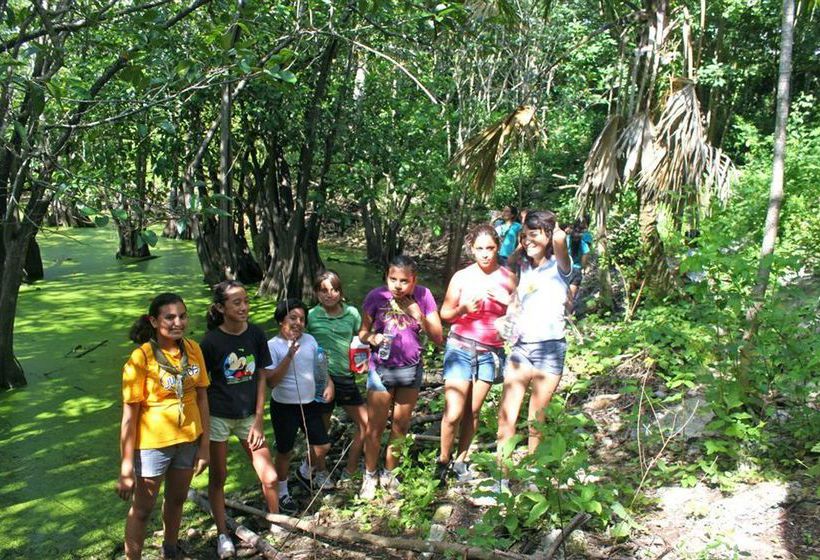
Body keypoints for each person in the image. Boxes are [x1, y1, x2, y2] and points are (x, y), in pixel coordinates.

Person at [117, 293, 210, 560]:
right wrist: (125, 468)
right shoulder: (141, 358)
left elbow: (202, 397)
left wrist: (203, 446)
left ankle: (170, 549)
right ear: (154, 321)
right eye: (169, 317)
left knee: (177, 499)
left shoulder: (193, 349)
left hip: (187, 440)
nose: (177, 322)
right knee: (143, 508)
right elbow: (129, 417)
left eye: (182, 316)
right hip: (152, 446)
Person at [487, 210, 571, 503]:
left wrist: (547, 229)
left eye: (535, 233)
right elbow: (511, 277)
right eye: (525, 234)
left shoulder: (562, 267)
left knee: (537, 419)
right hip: (521, 348)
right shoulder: (524, 267)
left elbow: (560, 241)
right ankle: (503, 477)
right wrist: (526, 242)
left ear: (548, 234)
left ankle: (533, 478)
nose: (528, 239)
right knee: (507, 414)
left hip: (550, 349)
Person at [200, 281, 279, 559]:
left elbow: (261, 377)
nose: (244, 307)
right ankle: (223, 534)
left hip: (249, 417)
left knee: (269, 476)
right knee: (219, 477)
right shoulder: (210, 342)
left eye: (245, 301)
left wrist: (259, 419)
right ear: (221, 308)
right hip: (219, 417)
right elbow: (201, 387)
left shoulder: (256, 334)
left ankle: (277, 522)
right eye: (236, 302)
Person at [358, 255, 444, 499]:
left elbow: (438, 338)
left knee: (400, 425)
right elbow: (363, 331)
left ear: (413, 280)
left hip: (411, 369)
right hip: (380, 370)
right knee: (374, 428)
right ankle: (370, 475)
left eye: (404, 281)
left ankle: (390, 473)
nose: (397, 285)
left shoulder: (424, 296)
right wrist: (371, 338)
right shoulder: (376, 297)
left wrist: (418, 314)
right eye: (392, 279)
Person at [437, 225, 516, 484]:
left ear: (497, 247)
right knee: (454, 412)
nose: (485, 254)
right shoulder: (461, 277)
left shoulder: (508, 277)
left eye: (490, 248)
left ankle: (461, 460)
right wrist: (462, 309)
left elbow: (520, 317)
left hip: (490, 351)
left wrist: (508, 302)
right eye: (480, 249)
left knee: (473, 411)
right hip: (460, 346)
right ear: (472, 249)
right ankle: (443, 460)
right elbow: (444, 315)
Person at [267, 298, 335, 510]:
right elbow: (271, 381)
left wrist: (329, 383)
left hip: (309, 404)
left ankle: (305, 471)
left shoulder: (310, 340)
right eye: (292, 317)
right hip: (284, 407)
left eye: (302, 319)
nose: (298, 322)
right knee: (285, 451)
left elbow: (320, 366)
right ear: (281, 320)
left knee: (322, 445)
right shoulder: (272, 346)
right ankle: (283, 491)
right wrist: (289, 355)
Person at [305, 271, 368, 485]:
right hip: (321, 379)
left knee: (365, 424)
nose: (329, 294)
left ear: (341, 292)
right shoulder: (311, 315)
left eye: (334, 290)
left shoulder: (352, 313)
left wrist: (363, 361)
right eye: (323, 290)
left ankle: (349, 471)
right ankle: (320, 471)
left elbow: (360, 340)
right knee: (322, 429)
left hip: (346, 377)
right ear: (316, 293)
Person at [566, 218, 591, 314]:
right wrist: (583, 267)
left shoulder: (566, 239)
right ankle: (567, 316)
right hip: (576, 270)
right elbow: (585, 257)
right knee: (571, 296)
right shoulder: (583, 243)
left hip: (564, 269)